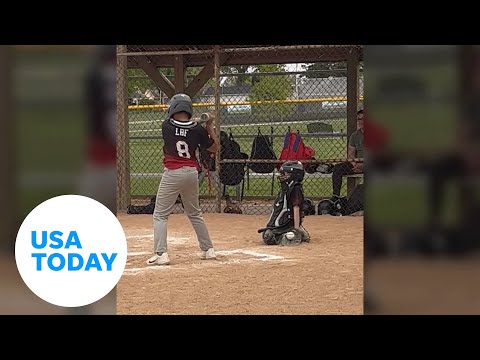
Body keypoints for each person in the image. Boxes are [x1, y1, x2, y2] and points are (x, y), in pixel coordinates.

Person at [147, 93, 219, 266]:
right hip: (191, 173)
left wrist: (199, 124)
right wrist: (209, 126)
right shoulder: (197, 129)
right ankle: (208, 250)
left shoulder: (166, 126)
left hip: (173, 173)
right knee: (194, 213)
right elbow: (215, 148)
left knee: (160, 215)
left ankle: (161, 253)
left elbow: (177, 124)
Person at [258, 160, 310, 245]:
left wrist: (296, 228)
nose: (282, 177)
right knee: (267, 235)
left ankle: (294, 233)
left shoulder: (295, 189)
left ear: (294, 175)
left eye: (285, 174)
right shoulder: (286, 188)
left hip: (288, 224)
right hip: (283, 224)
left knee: (270, 238)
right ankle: (294, 232)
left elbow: (296, 208)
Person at [331, 109, 364, 197]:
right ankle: (336, 197)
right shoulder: (355, 135)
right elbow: (351, 154)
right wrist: (354, 165)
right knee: (337, 168)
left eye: (363, 119)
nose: (361, 121)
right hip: (356, 164)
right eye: (359, 119)